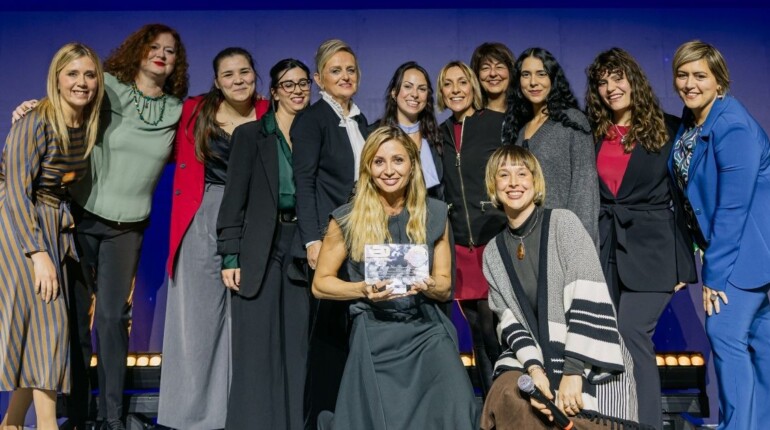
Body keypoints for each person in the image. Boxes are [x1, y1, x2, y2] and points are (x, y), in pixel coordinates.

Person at [12, 23, 189, 430]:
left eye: (171, 50)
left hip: (127, 228)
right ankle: (75, 415)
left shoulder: (179, 110)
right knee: (73, 321)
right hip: (81, 216)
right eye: (153, 46)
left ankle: (112, 418)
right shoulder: (108, 85)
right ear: (137, 51)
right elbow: (69, 98)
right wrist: (30, 107)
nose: (162, 54)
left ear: (178, 62)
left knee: (110, 320)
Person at [313, 126, 479, 430]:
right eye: (379, 162)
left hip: (424, 325)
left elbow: (444, 287)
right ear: (367, 168)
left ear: (412, 165)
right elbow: (321, 283)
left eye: (398, 160)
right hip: (374, 329)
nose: (389, 170)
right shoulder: (347, 218)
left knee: (457, 402)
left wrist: (427, 284)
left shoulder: (435, 213)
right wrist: (362, 288)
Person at [479, 145, 641, 430]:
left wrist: (573, 372)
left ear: (535, 181)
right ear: (494, 185)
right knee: (507, 390)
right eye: (503, 175)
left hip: (588, 358)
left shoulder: (563, 224)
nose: (514, 182)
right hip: (534, 359)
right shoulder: (493, 252)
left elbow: (588, 296)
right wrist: (535, 369)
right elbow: (509, 321)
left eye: (522, 173)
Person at [585, 47, 698, 430]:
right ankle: (616, 420)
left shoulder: (669, 129)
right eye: (602, 82)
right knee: (607, 344)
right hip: (606, 249)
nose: (611, 88)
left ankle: (649, 425)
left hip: (655, 252)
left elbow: (685, 201)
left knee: (632, 332)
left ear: (633, 80)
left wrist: (686, 262)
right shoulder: (593, 133)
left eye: (617, 78)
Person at [159, 47, 269, 429]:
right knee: (198, 320)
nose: (238, 80)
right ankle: (193, 418)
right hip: (202, 211)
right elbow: (139, 117)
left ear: (255, 74)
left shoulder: (273, 111)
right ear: (217, 81)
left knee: (250, 321)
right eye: (228, 74)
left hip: (255, 219)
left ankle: (244, 412)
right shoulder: (193, 110)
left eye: (245, 71)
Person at [0, 42, 103, 430]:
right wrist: (37, 252)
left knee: (36, 330)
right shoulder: (35, 121)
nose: (81, 82)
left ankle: (11, 423)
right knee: (49, 328)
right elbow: (15, 191)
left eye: (89, 74)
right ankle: (46, 425)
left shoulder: (87, 120)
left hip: (53, 223)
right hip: (19, 223)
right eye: (72, 74)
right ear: (56, 78)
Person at [669, 40, 770, 430]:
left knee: (725, 336)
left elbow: (733, 208)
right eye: (682, 74)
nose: (689, 84)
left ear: (719, 80)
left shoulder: (732, 125)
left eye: (700, 76)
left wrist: (713, 274)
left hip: (743, 256)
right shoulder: (698, 118)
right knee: (761, 348)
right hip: (741, 255)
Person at [216, 58, 312, 430]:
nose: (298, 90)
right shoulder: (250, 136)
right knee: (256, 348)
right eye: (288, 84)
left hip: (303, 248)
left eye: (303, 83)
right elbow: (233, 201)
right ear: (273, 92)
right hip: (261, 246)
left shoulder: (315, 134)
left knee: (296, 349)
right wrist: (230, 255)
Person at [291, 38, 369, 427]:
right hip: (329, 240)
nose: (344, 76)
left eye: (350, 70)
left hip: (362, 240)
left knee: (354, 329)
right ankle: (320, 419)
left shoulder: (361, 120)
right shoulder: (312, 119)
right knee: (326, 336)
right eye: (335, 70)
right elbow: (303, 183)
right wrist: (313, 240)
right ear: (320, 78)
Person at [437, 60, 506, 397]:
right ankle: (491, 404)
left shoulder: (497, 123)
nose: (455, 90)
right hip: (459, 244)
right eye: (448, 84)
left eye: (461, 82)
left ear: (473, 86)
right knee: (477, 330)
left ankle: (515, 400)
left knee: (495, 327)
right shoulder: (439, 133)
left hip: (492, 238)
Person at [502, 47, 599, 245]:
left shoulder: (572, 122)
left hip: (564, 240)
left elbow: (585, 189)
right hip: (528, 242)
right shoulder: (520, 131)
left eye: (541, 74)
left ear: (553, 79)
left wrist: (580, 245)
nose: (533, 82)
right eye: (526, 75)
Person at [379, 61, 443, 198]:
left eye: (422, 89)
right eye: (407, 86)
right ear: (394, 92)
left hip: (431, 216)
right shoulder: (375, 134)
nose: (415, 94)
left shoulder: (437, 137)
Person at [470, 42, 516, 113]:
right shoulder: (469, 119)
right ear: (477, 75)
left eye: (499, 67)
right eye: (486, 68)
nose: (493, 73)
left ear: (510, 72)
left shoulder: (526, 118)